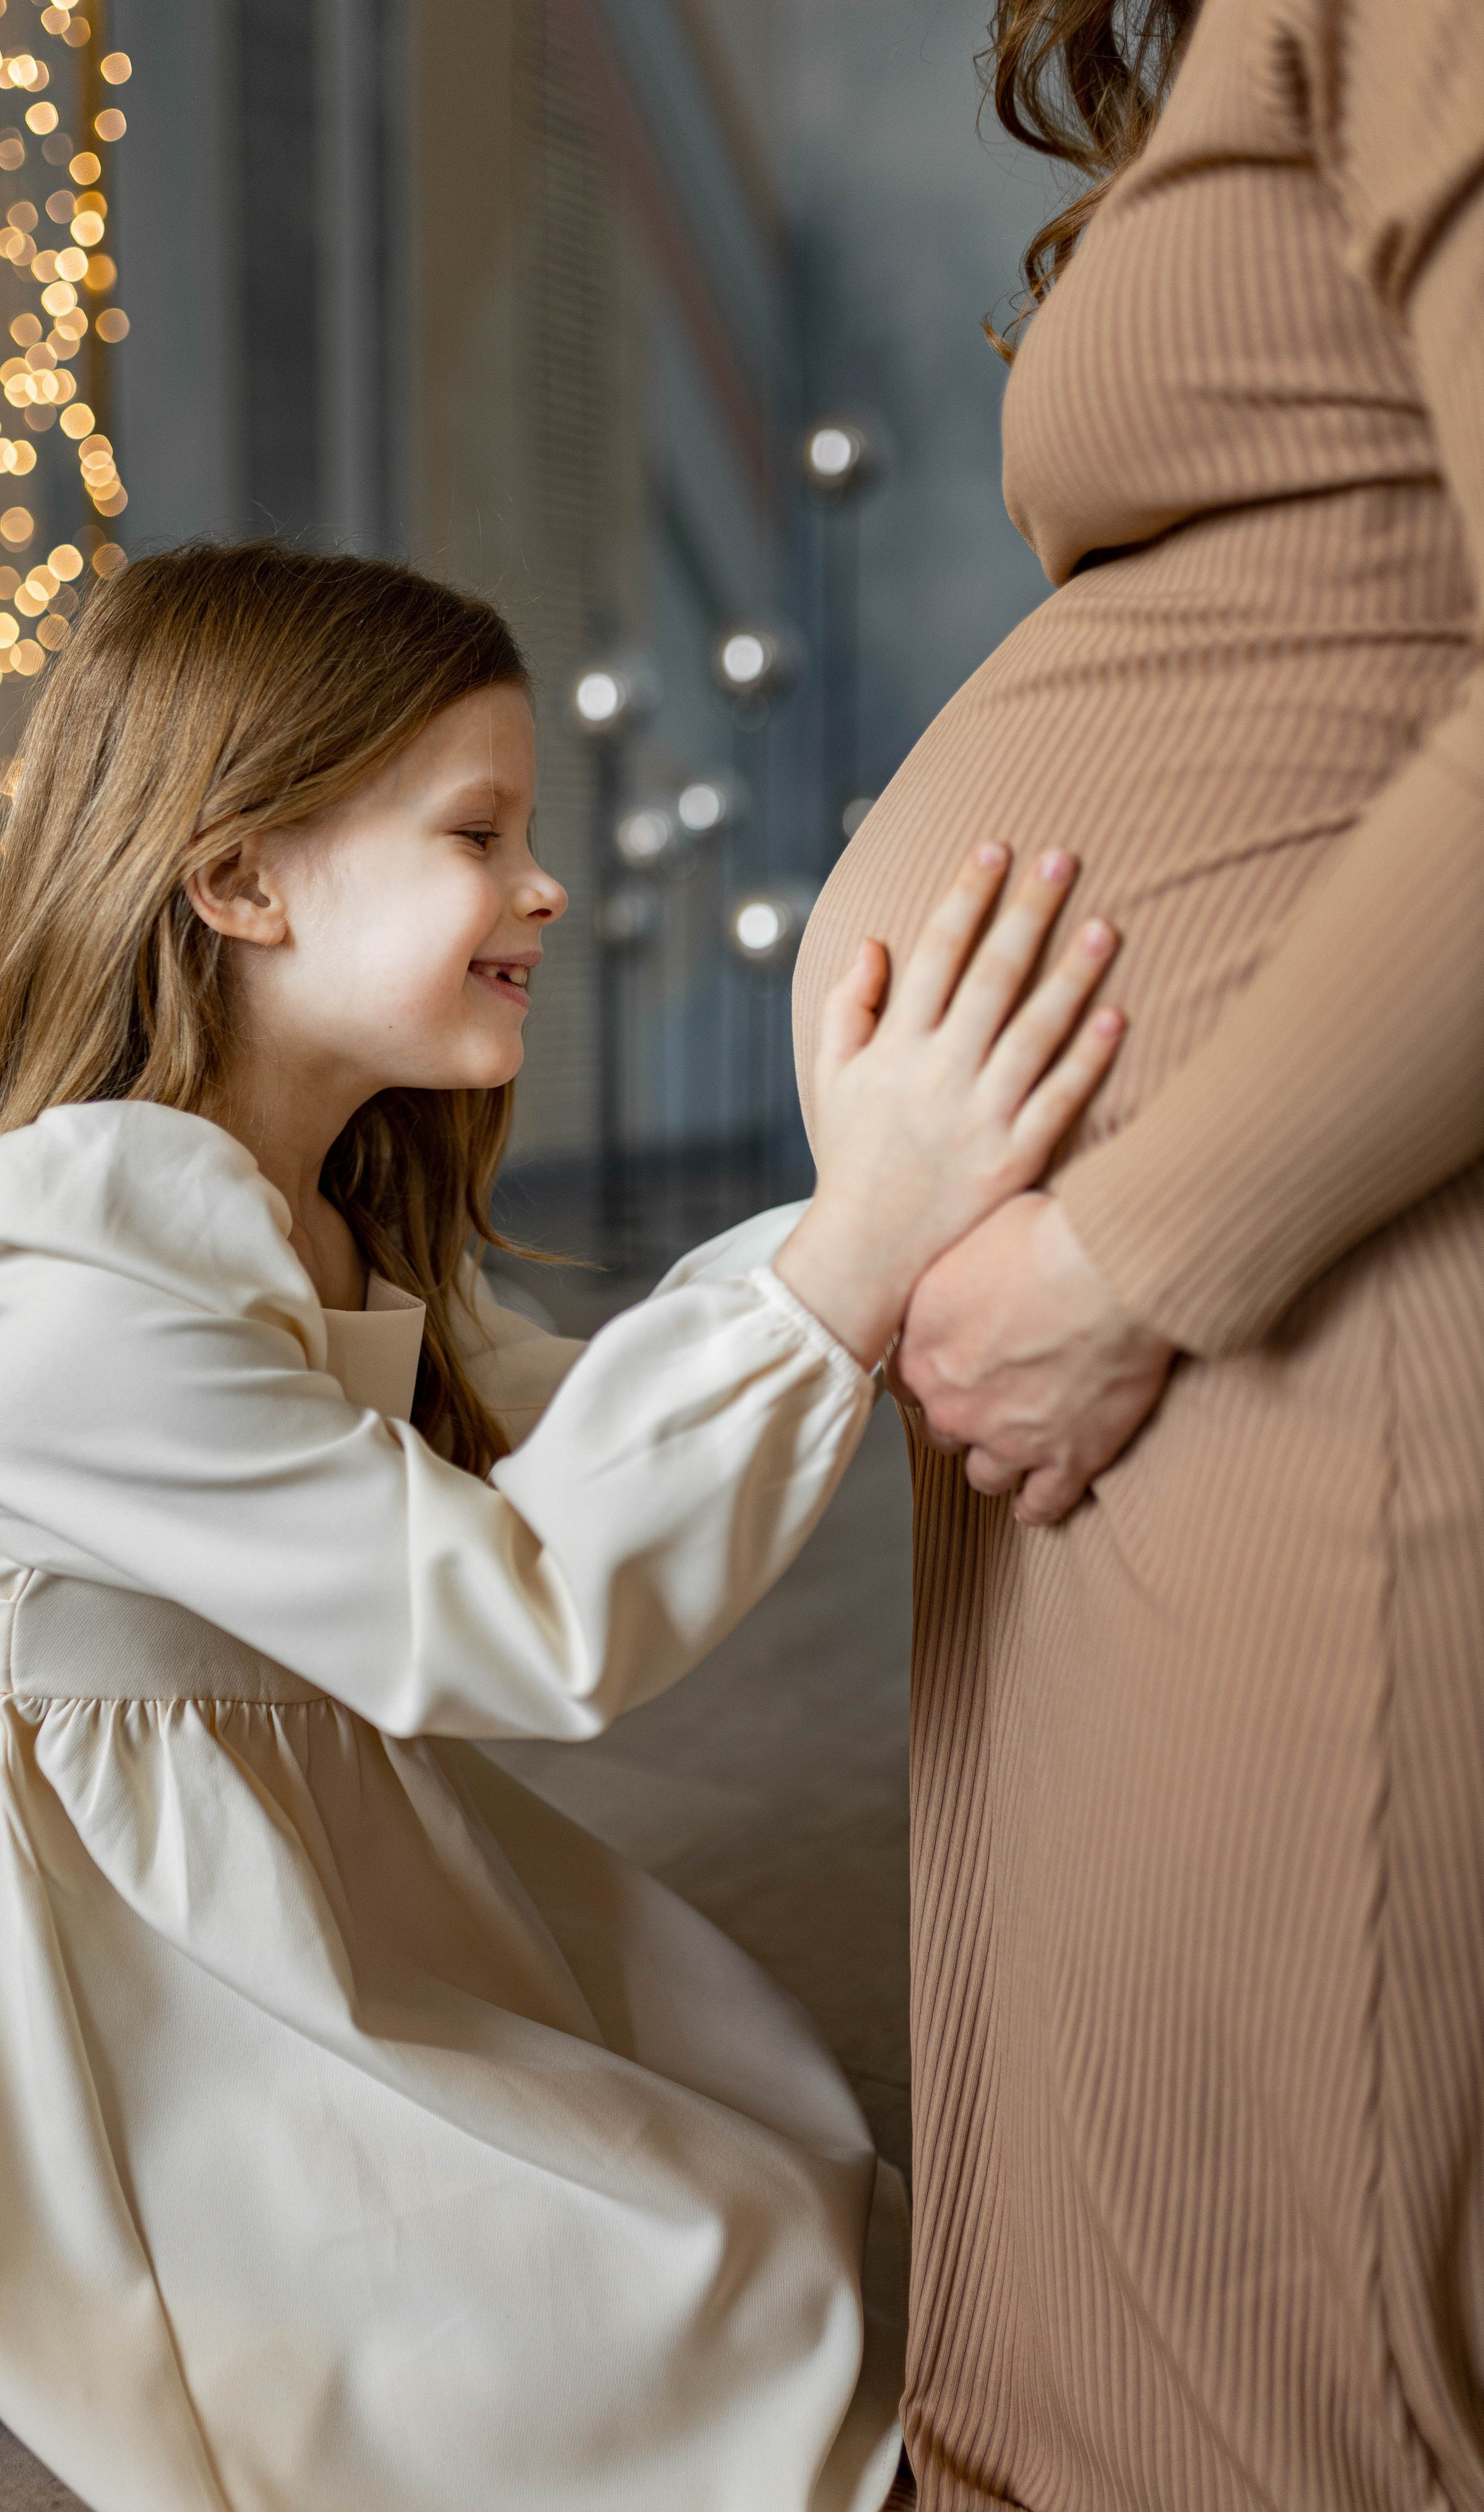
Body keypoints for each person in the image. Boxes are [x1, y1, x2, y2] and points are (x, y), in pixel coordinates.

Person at [0, 544, 1125, 2512]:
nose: (545, 887)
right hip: (95, 1958)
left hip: (250, 1860)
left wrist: (888, 1217)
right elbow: (524, 1619)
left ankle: (8, 2282)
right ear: (240, 880)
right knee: (687, 2311)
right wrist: (860, 1238)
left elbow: (574, 1429)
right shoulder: (76, 1269)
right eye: (478, 832)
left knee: (758, 2160)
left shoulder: (304, 1199)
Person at [792, 0, 1484, 2503]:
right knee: (1110, 2317)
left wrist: (1143, 1253)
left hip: (1292, 1308)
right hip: (1154, 1365)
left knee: (1266, 2375)